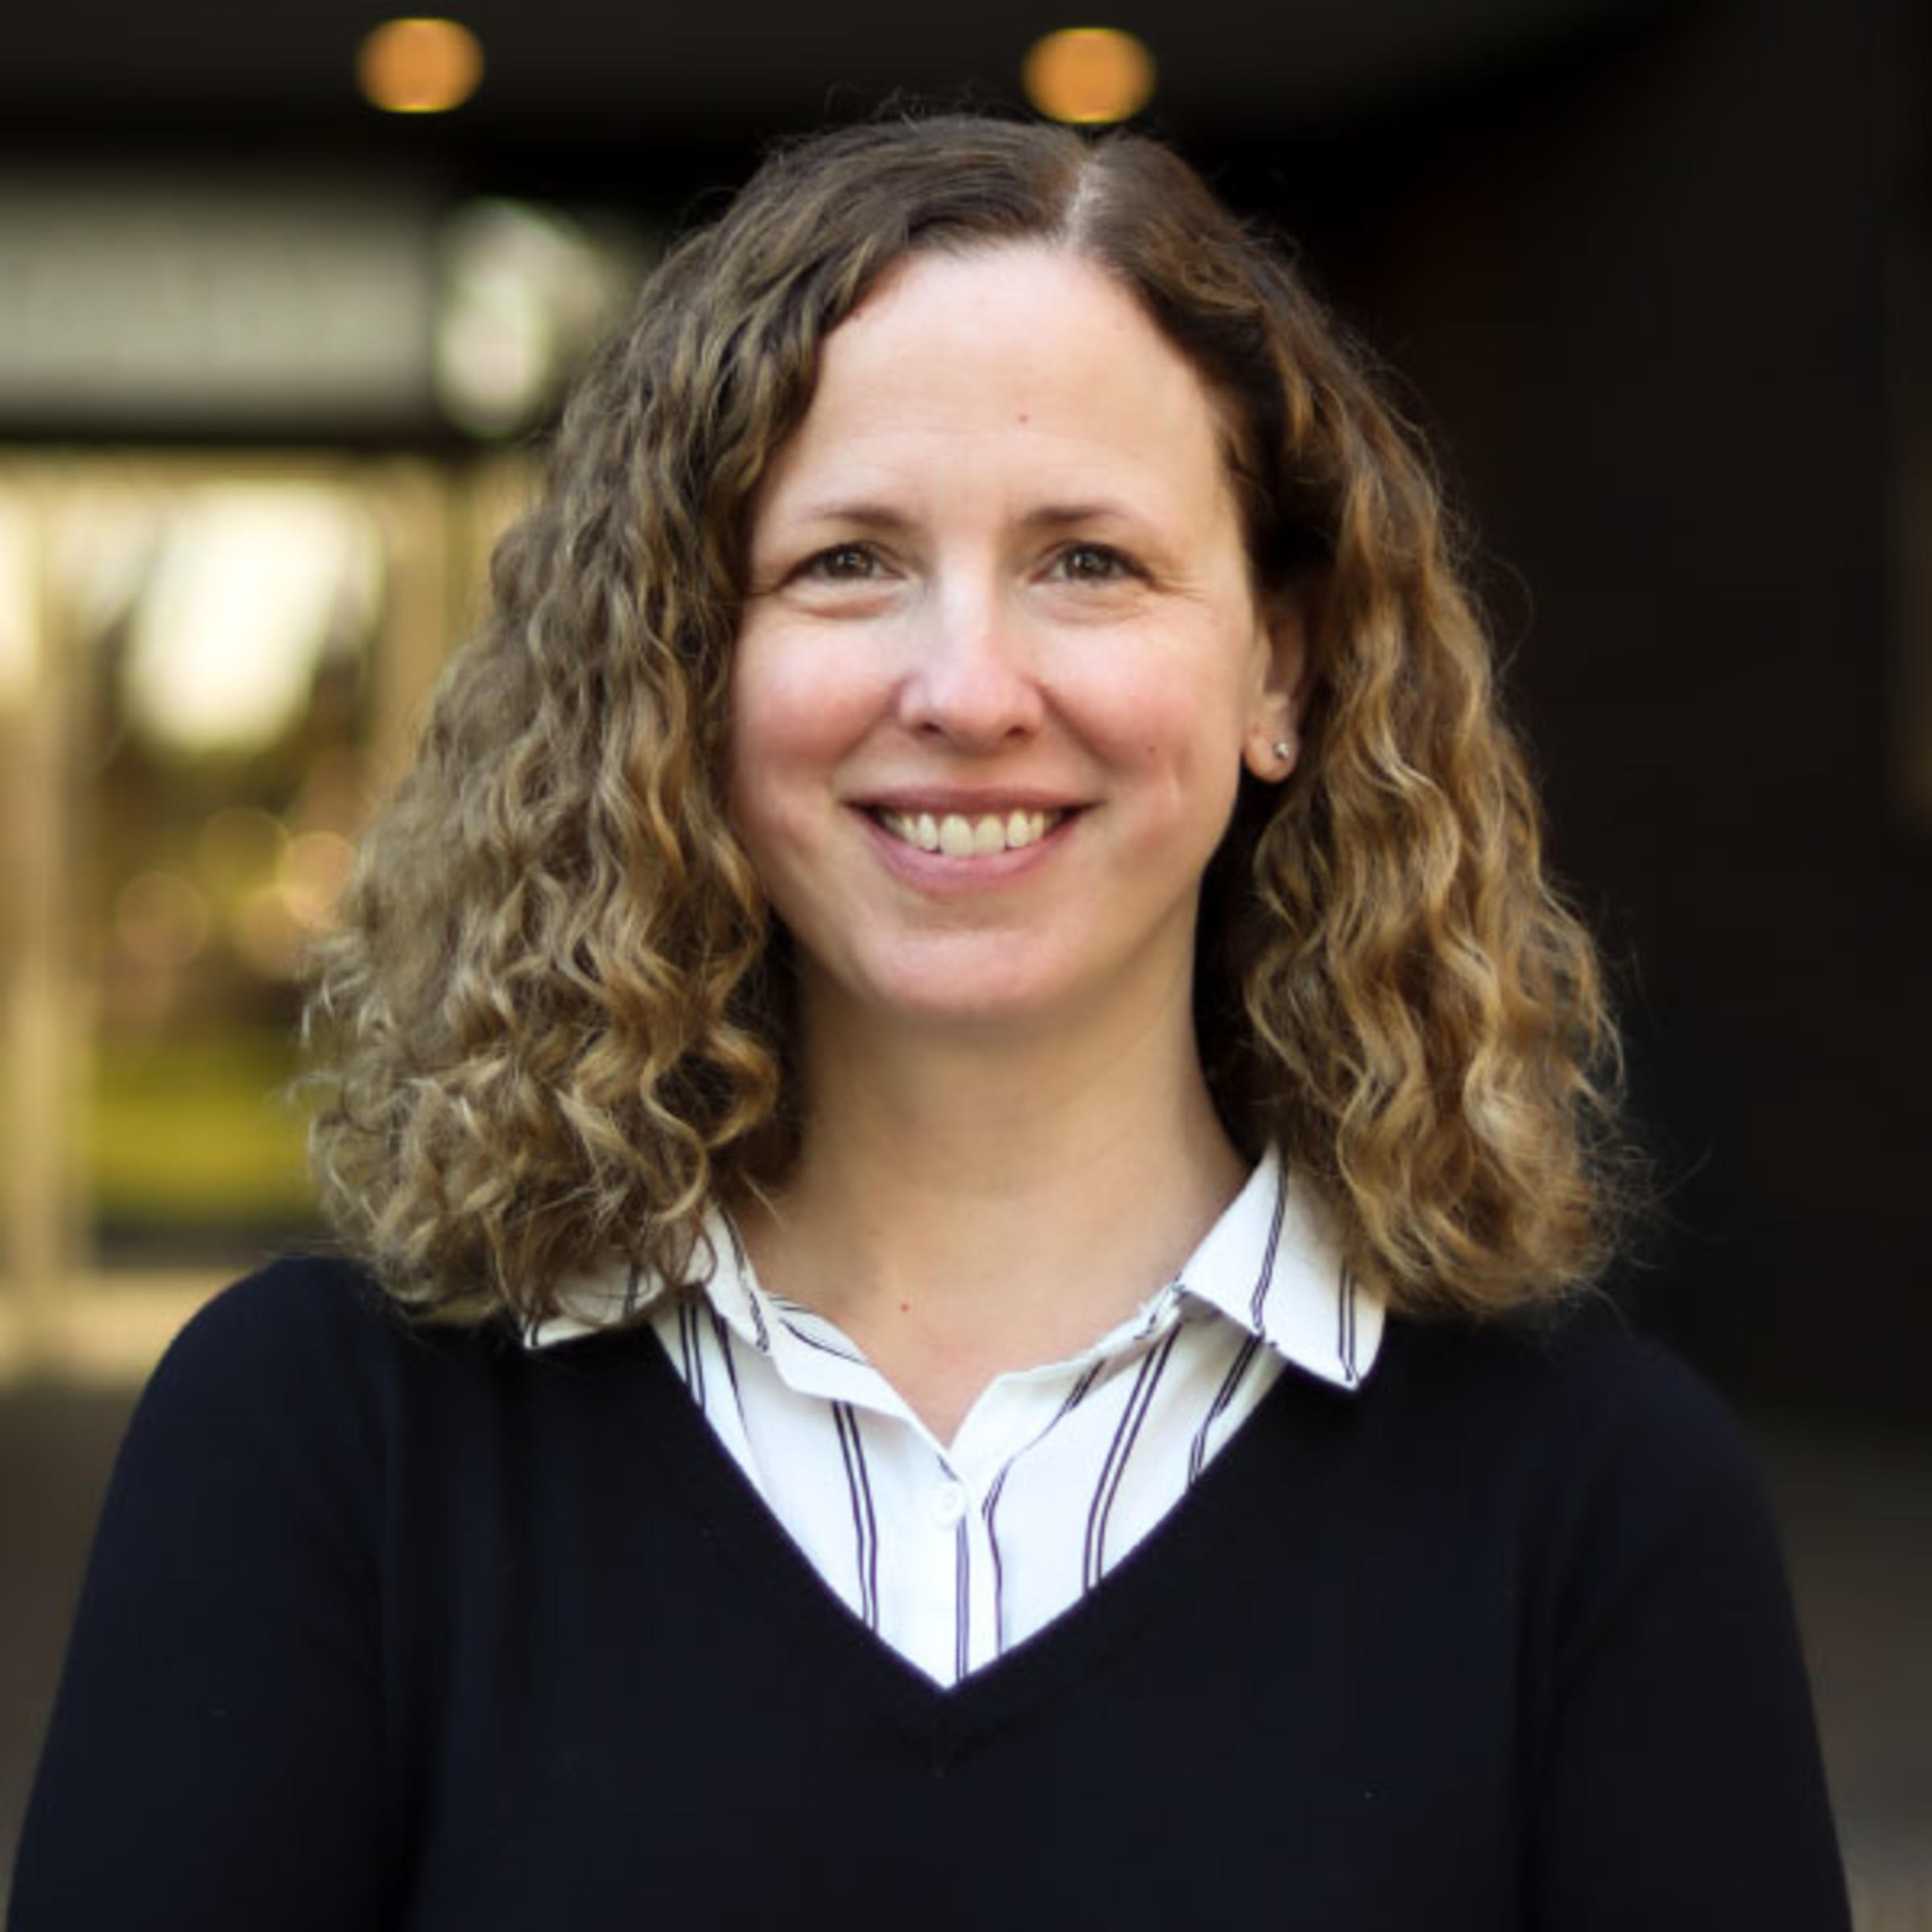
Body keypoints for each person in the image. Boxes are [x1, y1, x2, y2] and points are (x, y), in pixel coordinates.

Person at [13, 114, 1848, 1928]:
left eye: (1089, 561)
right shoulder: (323, 1446)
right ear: (687, 667)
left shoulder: (1597, 1511)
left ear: (1279, 667)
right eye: (849, 562)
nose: (969, 690)